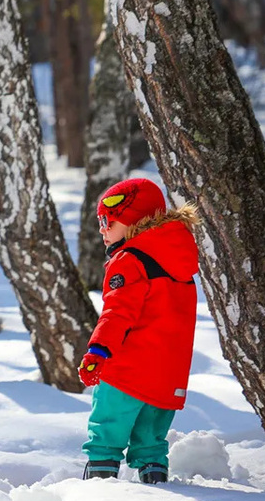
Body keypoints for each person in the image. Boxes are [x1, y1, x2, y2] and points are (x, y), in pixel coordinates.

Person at [78, 178, 200, 484]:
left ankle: (97, 491)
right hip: (167, 377)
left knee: (105, 436)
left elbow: (117, 313)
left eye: (108, 221)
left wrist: (98, 349)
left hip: (126, 372)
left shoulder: (129, 261)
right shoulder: (179, 262)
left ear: (132, 221)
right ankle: (156, 493)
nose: (102, 229)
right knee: (151, 446)